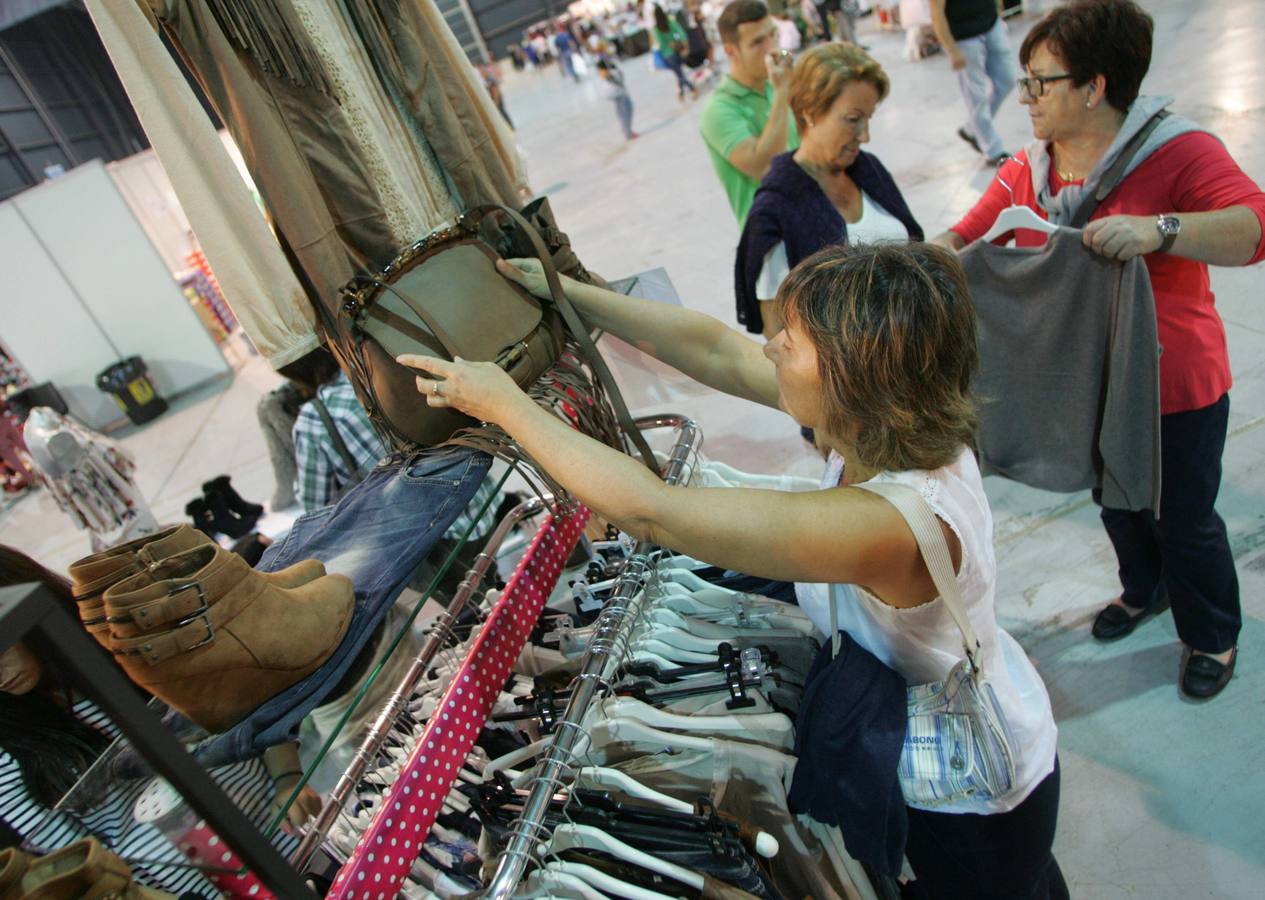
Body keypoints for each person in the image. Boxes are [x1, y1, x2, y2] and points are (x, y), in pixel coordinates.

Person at [399, 242, 1066, 899]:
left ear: (853, 374)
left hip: (968, 796)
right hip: (950, 727)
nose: (770, 345)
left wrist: (508, 408)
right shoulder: (888, 428)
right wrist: (566, 293)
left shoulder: (887, 525)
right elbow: (715, 349)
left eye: (792, 340)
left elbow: (654, 512)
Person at [932, 0, 1265, 700]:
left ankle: (1212, 634)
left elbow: (1251, 228)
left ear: (1095, 85)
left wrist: (1160, 229)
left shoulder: (1176, 150)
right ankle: (1143, 590)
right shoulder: (1030, 169)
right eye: (1023, 82)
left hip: (1172, 382)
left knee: (1183, 514)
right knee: (1112, 499)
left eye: (1039, 84)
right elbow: (960, 236)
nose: (1023, 98)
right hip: (1082, 381)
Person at [0, 547, 316, 896]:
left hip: (284, 823)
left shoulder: (122, 644)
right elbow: (71, 866)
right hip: (195, 887)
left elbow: (243, 696)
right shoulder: (10, 754)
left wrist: (287, 775)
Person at [735, 43, 922, 339]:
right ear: (810, 112)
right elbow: (778, 334)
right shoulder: (776, 210)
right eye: (852, 120)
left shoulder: (868, 169)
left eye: (868, 119)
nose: (865, 136)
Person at [699, 0, 800, 225]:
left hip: (811, 215)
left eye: (773, 35)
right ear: (730, 50)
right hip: (773, 237)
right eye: (757, 43)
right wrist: (783, 92)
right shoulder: (719, 110)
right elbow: (765, 168)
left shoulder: (775, 85)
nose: (771, 48)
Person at [929, 0, 1016, 165]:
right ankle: (993, 150)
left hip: (991, 24)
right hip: (964, 38)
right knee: (976, 95)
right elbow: (936, 13)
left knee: (1007, 80)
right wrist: (952, 50)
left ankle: (972, 129)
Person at [652, 5, 698, 100]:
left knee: (679, 75)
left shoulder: (656, 29)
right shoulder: (670, 22)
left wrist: (670, 44)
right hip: (677, 52)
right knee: (679, 74)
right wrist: (685, 47)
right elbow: (682, 34)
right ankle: (681, 94)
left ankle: (692, 89)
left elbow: (661, 44)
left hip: (667, 55)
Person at [598, 58, 638, 141]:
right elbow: (618, 81)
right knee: (625, 113)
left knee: (621, 112)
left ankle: (627, 131)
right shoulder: (612, 72)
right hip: (619, 94)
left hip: (614, 94)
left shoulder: (607, 73)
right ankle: (628, 133)